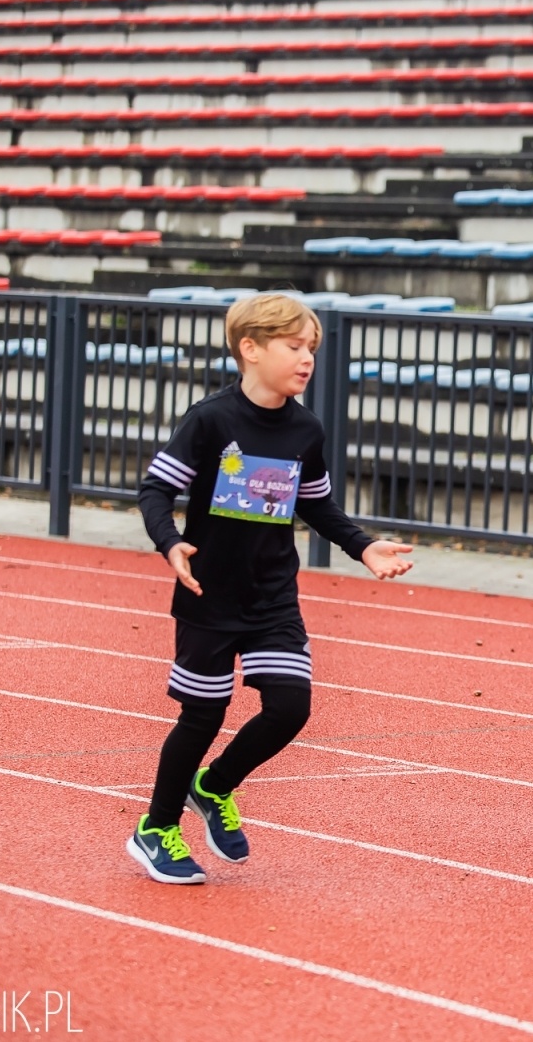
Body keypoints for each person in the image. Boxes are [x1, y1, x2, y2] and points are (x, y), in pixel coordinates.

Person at [127, 293, 414, 884]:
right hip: (210, 595)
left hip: (273, 596)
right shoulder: (210, 420)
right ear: (250, 349)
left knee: (289, 706)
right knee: (202, 717)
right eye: (293, 346)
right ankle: (156, 828)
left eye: (311, 347)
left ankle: (213, 785)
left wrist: (363, 546)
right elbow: (156, 490)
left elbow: (317, 505)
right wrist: (170, 542)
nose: (306, 358)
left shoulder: (306, 429)